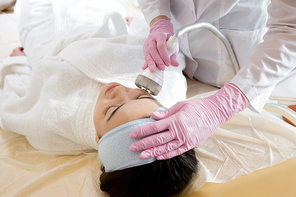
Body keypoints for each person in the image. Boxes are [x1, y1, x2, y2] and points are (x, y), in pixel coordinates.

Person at [0, 0, 199, 196]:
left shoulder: (54, 122)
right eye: (140, 95)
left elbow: (12, 107)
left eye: (111, 110)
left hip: (48, 29)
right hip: (102, 15)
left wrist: (16, 64)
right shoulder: (168, 91)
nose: (119, 90)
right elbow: (167, 51)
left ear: (98, 139)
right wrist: (142, 29)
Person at [130, 0, 296, 160]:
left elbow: (290, 30)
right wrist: (159, 20)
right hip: (187, 55)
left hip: (253, 70)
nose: (117, 92)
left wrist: (225, 104)